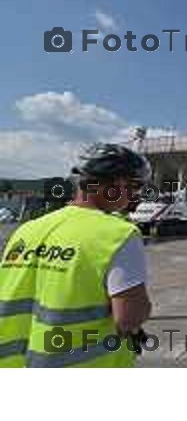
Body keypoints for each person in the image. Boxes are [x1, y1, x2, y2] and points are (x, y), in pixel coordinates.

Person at [0, 143, 152, 367]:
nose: (135, 195)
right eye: (135, 186)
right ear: (117, 182)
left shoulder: (27, 230)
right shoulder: (118, 234)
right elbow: (128, 318)